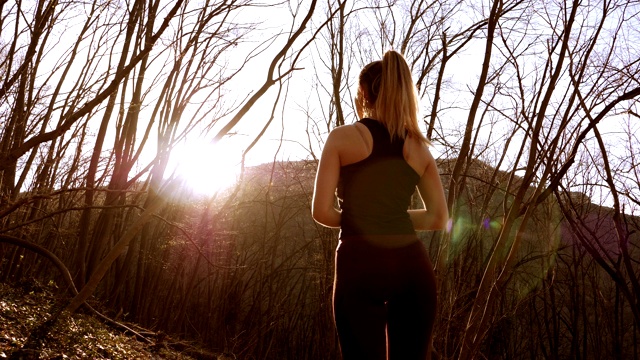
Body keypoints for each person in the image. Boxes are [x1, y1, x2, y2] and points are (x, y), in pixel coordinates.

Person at [311, 50, 449, 360]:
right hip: (412, 266)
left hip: (359, 263)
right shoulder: (419, 148)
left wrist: (363, 218)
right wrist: (392, 218)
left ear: (363, 92)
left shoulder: (343, 138)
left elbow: (322, 212)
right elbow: (439, 217)